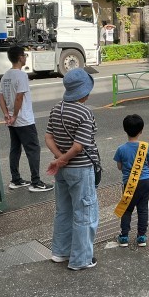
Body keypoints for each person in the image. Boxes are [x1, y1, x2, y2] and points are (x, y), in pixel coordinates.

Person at [46, 68, 99, 270]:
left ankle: (60, 252)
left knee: (64, 211)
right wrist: (63, 159)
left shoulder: (56, 108)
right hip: (81, 169)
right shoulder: (84, 112)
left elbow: (48, 137)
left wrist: (59, 159)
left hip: (62, 170)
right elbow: (78, 146)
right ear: (84, 92)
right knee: (84, 213)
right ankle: (81, 259)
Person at [0, 46, 54, 192]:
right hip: (23, 120)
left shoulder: (5, 76)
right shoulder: (21, 76)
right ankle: (36, 182)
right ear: (20, 57)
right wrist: (15, 115)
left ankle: (15, 179)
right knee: (33, 149)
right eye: (24, 55)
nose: (25, 58)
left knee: (15, 149)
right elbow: (19, 97)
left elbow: (1, 96)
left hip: (12, 121)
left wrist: (7, 114)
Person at [114, 114, 149, 247]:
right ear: (141, 131)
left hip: (129, 183)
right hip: (145, 181)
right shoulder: (146, 146)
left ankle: (124, 237)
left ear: (125, 130)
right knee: (143, 209)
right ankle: (141, 237)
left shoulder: (121, 149)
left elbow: (119, 167)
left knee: (127, 209)